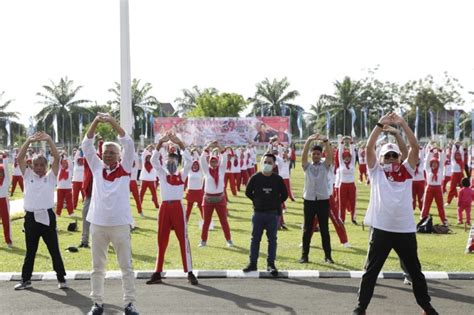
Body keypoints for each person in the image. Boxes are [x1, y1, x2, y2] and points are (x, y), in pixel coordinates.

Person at [352, 112, 438, 315]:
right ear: (381, 159)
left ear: (400, 156)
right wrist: (380, 124)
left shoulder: (407, 170)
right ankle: (360, 307)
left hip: (405, 230)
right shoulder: (376, 171)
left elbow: (414, 148)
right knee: (371, 273)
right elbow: (369, 147)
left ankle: (426, 306)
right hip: (381, 229)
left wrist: (401, 126)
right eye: (387, 156)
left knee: (415, 273)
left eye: (394, 155)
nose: (390, 158)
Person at [82, 113, 139, 315]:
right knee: (97, 267)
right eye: (105, 152)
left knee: (126, 267)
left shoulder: (125, 167)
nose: (108, 155)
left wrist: (112, 122)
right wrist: (96, 122)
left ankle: (129, 304)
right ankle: (97, 303)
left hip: (120, 224)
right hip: (98, 223)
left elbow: (128, 143)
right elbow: (86, 145)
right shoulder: (97, 167)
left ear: (119, 155)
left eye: (112, 152)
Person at [14, 132, 67, 291]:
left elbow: (57, 159)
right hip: (30, 218)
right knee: (31, 251)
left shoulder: (51, 177)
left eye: (41, 165)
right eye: (36, 165)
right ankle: (26, 279)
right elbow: (19, 158)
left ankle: (61, 278)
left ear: (46, 166)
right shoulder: (27, 174)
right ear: (31, 166)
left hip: (47, 217)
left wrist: (49, 140)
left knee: (53, 249)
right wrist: (29, 140)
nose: (38, 168)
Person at [146, 132, 198, 285]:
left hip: (177, 207)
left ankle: (189, 272)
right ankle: (157, 272)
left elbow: (189, 161)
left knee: (183, 239)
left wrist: (180, 144)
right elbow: (154, 160)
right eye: (169, 159)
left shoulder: (182, 175)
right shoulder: (162, 174)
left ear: (178, 161)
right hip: (164, 207)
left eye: (174, 160)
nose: (171, 162)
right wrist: (161, 142)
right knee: (161, 240)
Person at [243, 153, 288, 276]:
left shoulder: (278, 179)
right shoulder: (255, 177)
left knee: (272, 240)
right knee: (255, 239)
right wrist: (256, 200)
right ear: (261, 163)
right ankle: (252, 264)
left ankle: (271, 264)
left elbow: (285, 195)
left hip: (272, 214)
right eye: (265, 162)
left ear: (274, 165)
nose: (267, 164)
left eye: (270, 162)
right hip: (258, 214)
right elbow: (247, 192)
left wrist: (276, 202)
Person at [300, 133, 334, 264]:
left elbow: (330, 157)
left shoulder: (325, 166)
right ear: (311, 155)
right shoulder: (307, 166)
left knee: (324, 229)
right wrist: (308, 140)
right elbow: (303, 157)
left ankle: (328, 256)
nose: (315, 156)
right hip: (309, 200)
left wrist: (326, 142)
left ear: (321, 155)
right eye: (313, 154)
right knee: (307, 229)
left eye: (318, 154)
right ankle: (304, 256)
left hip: (322, 201)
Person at [198, 141, 233, 247]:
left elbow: (225, 157)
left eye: (215, 162)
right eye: (211, 162)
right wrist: (208, 147)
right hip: (208, 199)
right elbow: (202, 159)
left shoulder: (221, 170)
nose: (213, 163)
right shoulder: (206, 171)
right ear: (209, 162)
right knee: (206, 222)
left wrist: (219, 146)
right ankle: (203, 241)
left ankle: (229, 240)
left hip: (220, 199)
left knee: (224, 221)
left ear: (217, 162)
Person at [420, 144, 447, 225]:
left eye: (436, 163)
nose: (434, 164)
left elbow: (442, 160)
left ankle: (444, 220)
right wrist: (431, 151)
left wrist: (440, 151)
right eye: (433, 163)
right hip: (429, 188)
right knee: (426, 204)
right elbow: (427, 160)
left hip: (438, 188)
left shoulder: (440, 169)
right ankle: (423, 218)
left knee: (440, 205)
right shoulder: (428, 169)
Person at [139, 145, 160, 211]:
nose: (148, 158)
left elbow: (155, 154)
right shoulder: (144, 161)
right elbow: (144, 153)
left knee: (154, 194)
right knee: (141, 194)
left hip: (151, 180)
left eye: (150, 157)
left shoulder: (153, 162)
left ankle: (157, 205)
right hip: (144, 180)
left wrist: (154, 148)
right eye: (147, 157)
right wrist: (148, 146)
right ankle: (139, 205)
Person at [56, 152, 75, 217]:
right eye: (63, 163)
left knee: (69, 201)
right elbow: (58, 162)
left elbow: (70, 163)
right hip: (60, 188)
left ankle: (71, 213)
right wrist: (61, 156)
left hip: (68, 188)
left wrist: (67, 156)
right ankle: (58, 213)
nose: (64, 164)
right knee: (59, 202)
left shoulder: (70, 169)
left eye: (65, 163)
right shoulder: (59, 169)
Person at [0, 151, 13, 247]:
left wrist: (4, 157)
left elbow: (7, 169)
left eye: (1, 173)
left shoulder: (6, 180)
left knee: (6, 221)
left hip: (4, 200)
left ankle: (8, 240)